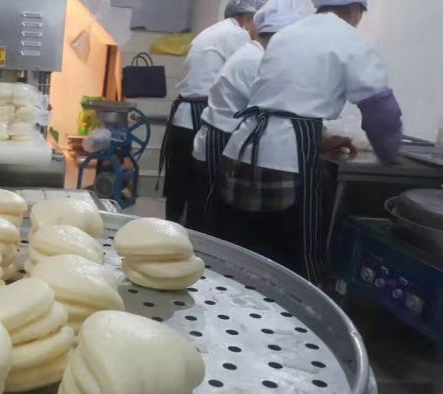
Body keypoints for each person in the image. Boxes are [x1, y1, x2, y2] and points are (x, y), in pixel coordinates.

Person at [217, 0, 402, 284]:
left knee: (240, 253)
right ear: (356, 11)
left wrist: (321, 139)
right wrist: (390, 155)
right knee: (293, 263)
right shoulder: (350, 40)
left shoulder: (287, 35)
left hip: (242, 149)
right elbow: (382, 113)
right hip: (285, 162)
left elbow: (281, 100)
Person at [187, 0, 314, 234]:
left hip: (220, 137)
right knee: (210, 222)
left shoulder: (254, 53)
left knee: (211, 217)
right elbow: (279, 107)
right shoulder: (256, 60)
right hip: (221, 139)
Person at [159, 0, 266, 222]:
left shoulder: (215, 31)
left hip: (184, 116)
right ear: (248, 19)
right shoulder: (238, 36)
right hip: (198, 115)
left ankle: (172, 229)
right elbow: (251, 75)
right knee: (198, 187)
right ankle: (189, 232)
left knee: (179, 182)